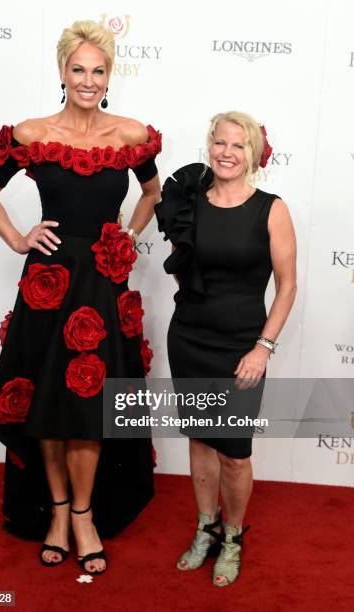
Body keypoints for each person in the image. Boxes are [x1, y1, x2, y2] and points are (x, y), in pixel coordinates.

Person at [0, 20, 161, 574]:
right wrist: (17, 237)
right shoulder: (31, 135)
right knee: (51, 406)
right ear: (62, 72)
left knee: (90, 405)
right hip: (48, 282)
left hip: (102, 285)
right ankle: (58, 512)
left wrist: (128, 233)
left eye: (98, 70)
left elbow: (152, 193)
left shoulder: (130, 136)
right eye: (78, 69)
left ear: (109, 77)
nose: (88, 79)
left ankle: (85, 514)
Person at [156, 111, 296, 586]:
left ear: (253, 153)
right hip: (190, 338)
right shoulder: (188, 203)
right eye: (219, 143)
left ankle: (233, 537)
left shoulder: (271, 208)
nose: (227, 153)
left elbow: (288, 285)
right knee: (200, 439)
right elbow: (182, 264)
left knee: (234, 451)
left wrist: (263, 347)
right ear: (209, 147)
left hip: (243, 346)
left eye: (238, 145)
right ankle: (206, 528)